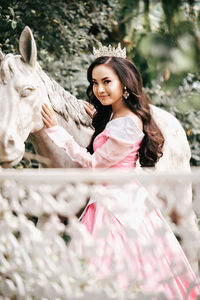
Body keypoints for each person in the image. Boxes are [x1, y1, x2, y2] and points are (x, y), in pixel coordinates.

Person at [41, 44, 200, 298]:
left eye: (107, 81)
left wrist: (57, 132)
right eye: (95, 83)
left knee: (117, 268)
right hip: (112, 200)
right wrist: (100, 118)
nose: (100, 89)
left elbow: (94, 164)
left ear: (124, 83)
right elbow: (110, 137)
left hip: (116, 208)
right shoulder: (117, 116)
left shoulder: (126, 124)